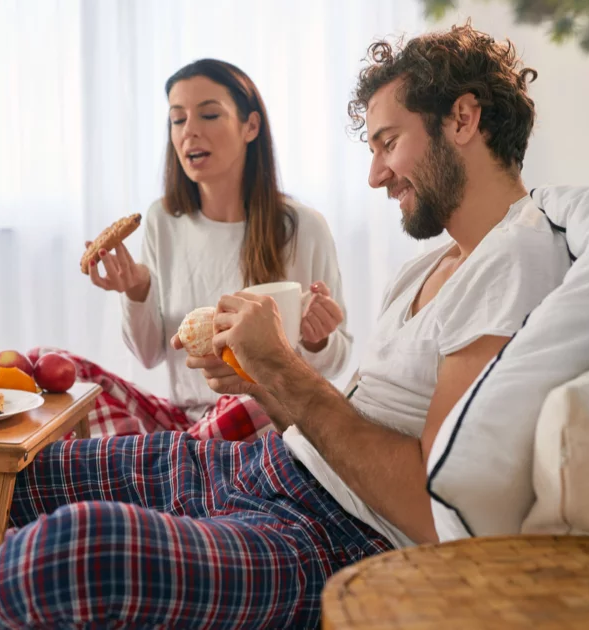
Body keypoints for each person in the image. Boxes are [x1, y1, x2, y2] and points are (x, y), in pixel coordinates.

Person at [0, 25, 572, 628]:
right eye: (367, 149)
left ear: (463, 119)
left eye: (387, 142)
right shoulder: (434, 262)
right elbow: (220, 370)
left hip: (338, 537)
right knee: (25, 465)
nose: (375, 174)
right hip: (271, 466)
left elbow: (425, 503)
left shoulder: (517, 259)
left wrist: (285, 372)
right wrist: (269, 383)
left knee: (87, 544)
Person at [30, 58, 352, 443]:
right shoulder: (161, 220)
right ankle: (174, 463)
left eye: (210, 115)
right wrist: (136, 290)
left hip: (259, 418)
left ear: (250, 126)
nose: (190, 132)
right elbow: (150, 354)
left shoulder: (302, 228)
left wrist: (316, 338)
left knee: (254, 398)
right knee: (46, 365)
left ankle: (154, 464)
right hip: (180, 421)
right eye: (178, 119)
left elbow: (333, 363)